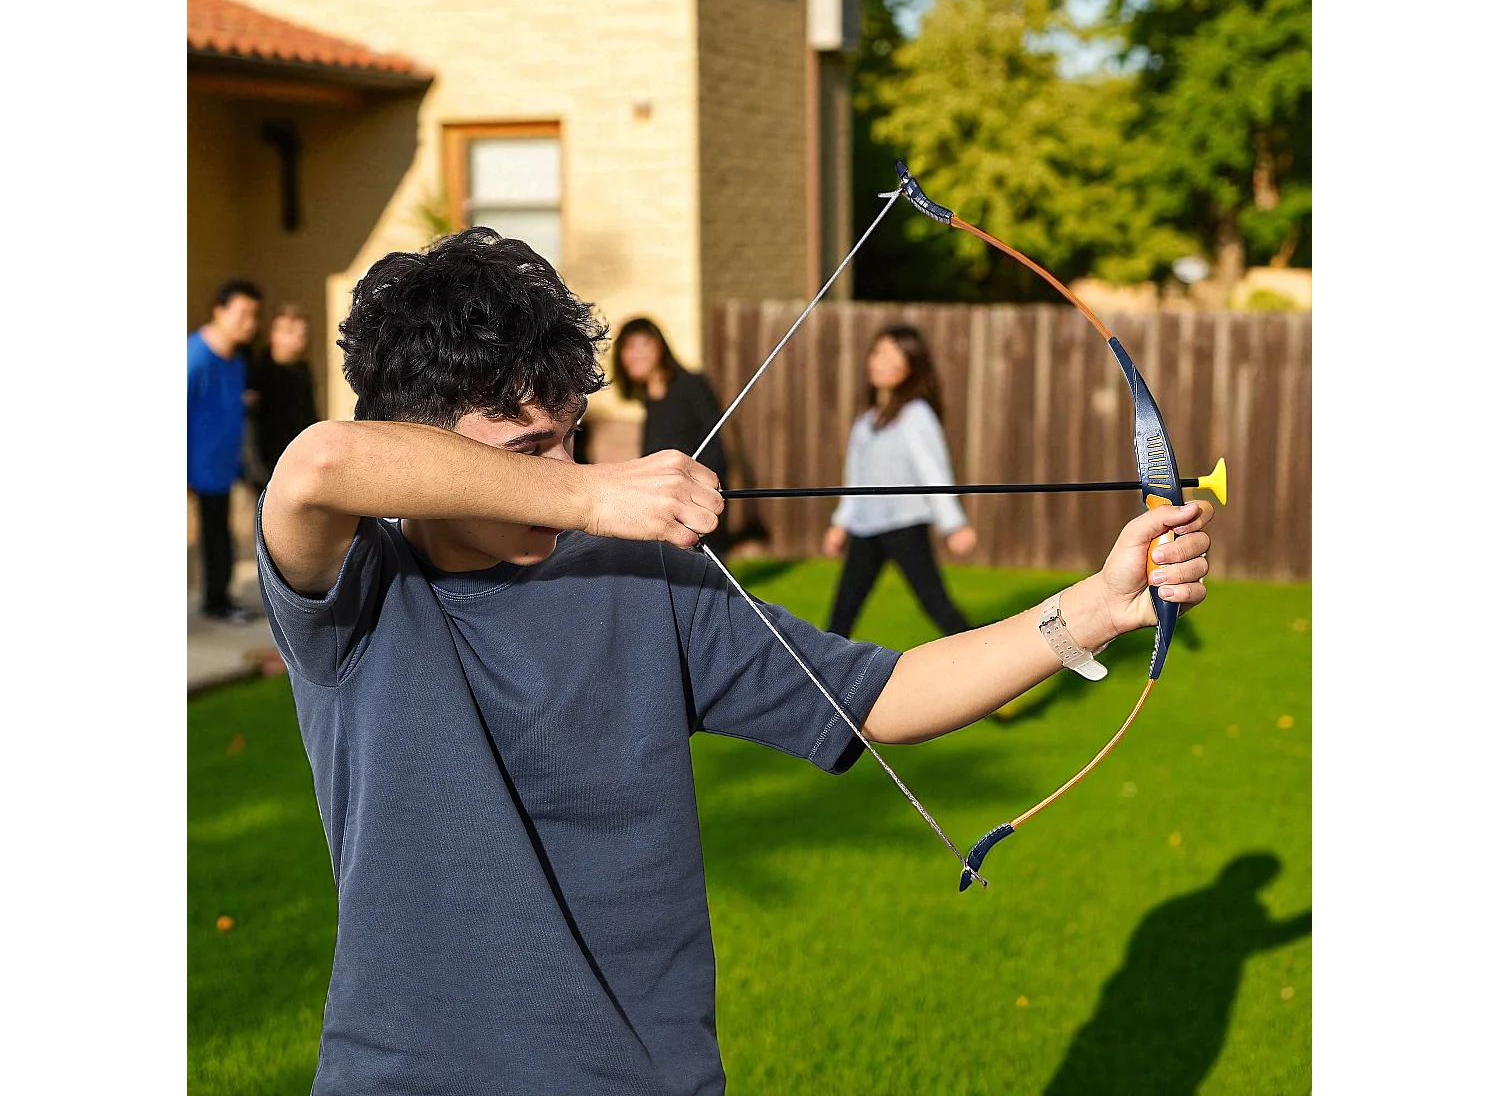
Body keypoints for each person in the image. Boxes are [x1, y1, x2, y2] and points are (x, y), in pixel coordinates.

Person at [258, 228, 1213, 1094]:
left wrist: (1094, 607)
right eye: (527, 452)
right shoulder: (356, 595)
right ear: (417, 444)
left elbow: (885, 696)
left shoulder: (650, 588)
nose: (562, 465)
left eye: (572, 438)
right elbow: (318, 467)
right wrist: (588, 496)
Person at [824, 324, 977, 639]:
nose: (880, 361)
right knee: (842, 613)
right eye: (878, 352)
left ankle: (991, 664)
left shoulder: (916, 414)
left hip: (904, 525)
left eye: (893, 355)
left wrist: (953, 524)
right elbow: (855, 480)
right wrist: (841, 524)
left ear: (909, 367)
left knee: (936, 604)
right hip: (866, 529)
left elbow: (933, 471)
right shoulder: (865, 422)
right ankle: (820, 683)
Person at [612, 316, 730, 556]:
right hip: (665, 505)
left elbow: (715, 449)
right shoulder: (650, 399)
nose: (636, 354)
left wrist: (704, 501)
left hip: (695, 504)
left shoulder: (691, 385)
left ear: (660, 347)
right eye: (629, 347)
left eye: (643, 344)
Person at [187, 278, 262, 622]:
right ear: (219, 311)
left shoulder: (236, 361)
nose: (250, 323)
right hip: (196, 468)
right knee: (214, 537)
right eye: (242, 313)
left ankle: (219, 599)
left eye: (254, 315)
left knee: (222, 536)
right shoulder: (195, 356)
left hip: (221, 467)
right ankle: (216, 602)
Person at [245, 302, 320, 492]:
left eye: (302, 332)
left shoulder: (303, 372)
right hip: (263, 474)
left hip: (297, 468)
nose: (297, 337)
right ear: (274, 334)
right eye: (289, 331)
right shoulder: (258, 373)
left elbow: (309, 418)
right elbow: (249, 431)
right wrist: (259, 474)